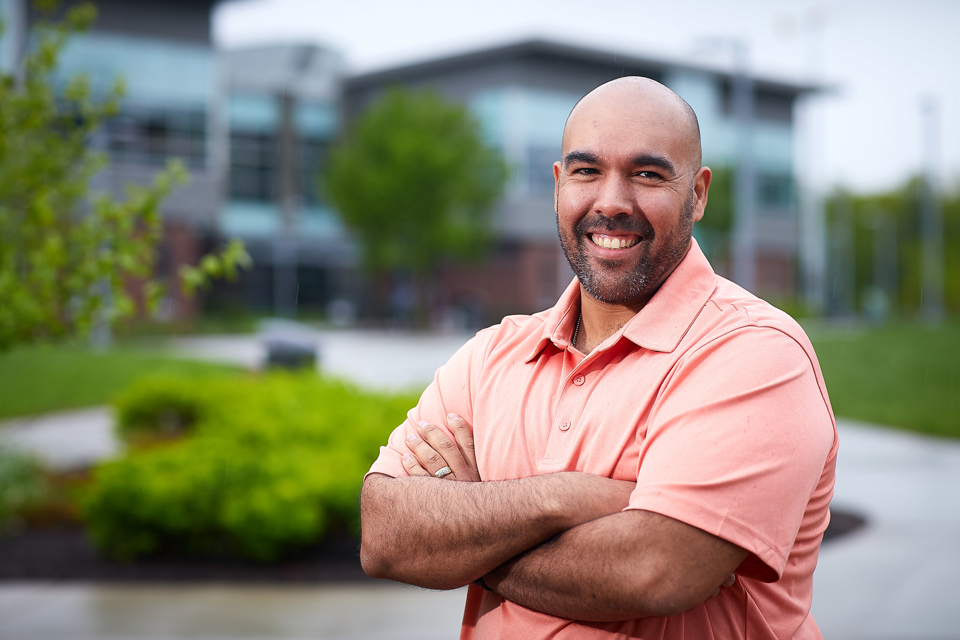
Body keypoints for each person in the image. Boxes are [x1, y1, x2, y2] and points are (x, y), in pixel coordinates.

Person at [360, 76, 838, 639]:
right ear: (559, 185)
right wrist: (564, 498)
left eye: (647, 174)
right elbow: (385, 536)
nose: (611, 203)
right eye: (587, 171)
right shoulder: (492, 354)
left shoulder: (753, 353)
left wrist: (469, 534)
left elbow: (656, 570)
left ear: (699, 193)